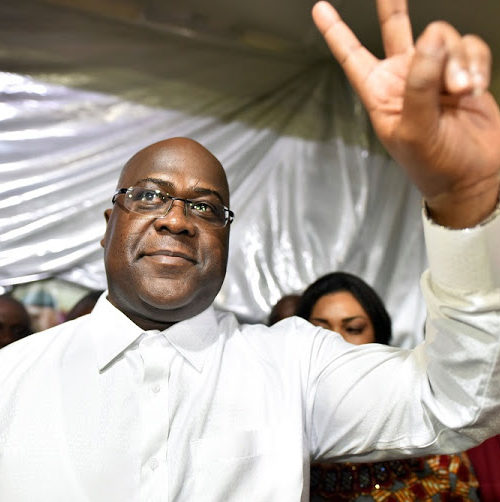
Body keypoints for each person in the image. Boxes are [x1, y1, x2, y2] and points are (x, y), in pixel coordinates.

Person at [1, 0, 500, 500]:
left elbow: (458, 401)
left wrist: (464, 200)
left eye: (205, 207)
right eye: (149, 196)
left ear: (225, 240)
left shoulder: (295, 367)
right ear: (110, 227)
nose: (176, 220)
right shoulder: (13, 379)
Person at [296, 272, 479, 500]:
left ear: (378, 337)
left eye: (353, 329)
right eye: (320, 331)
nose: (334, 342)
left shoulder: (428, 440)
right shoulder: (283, 435)